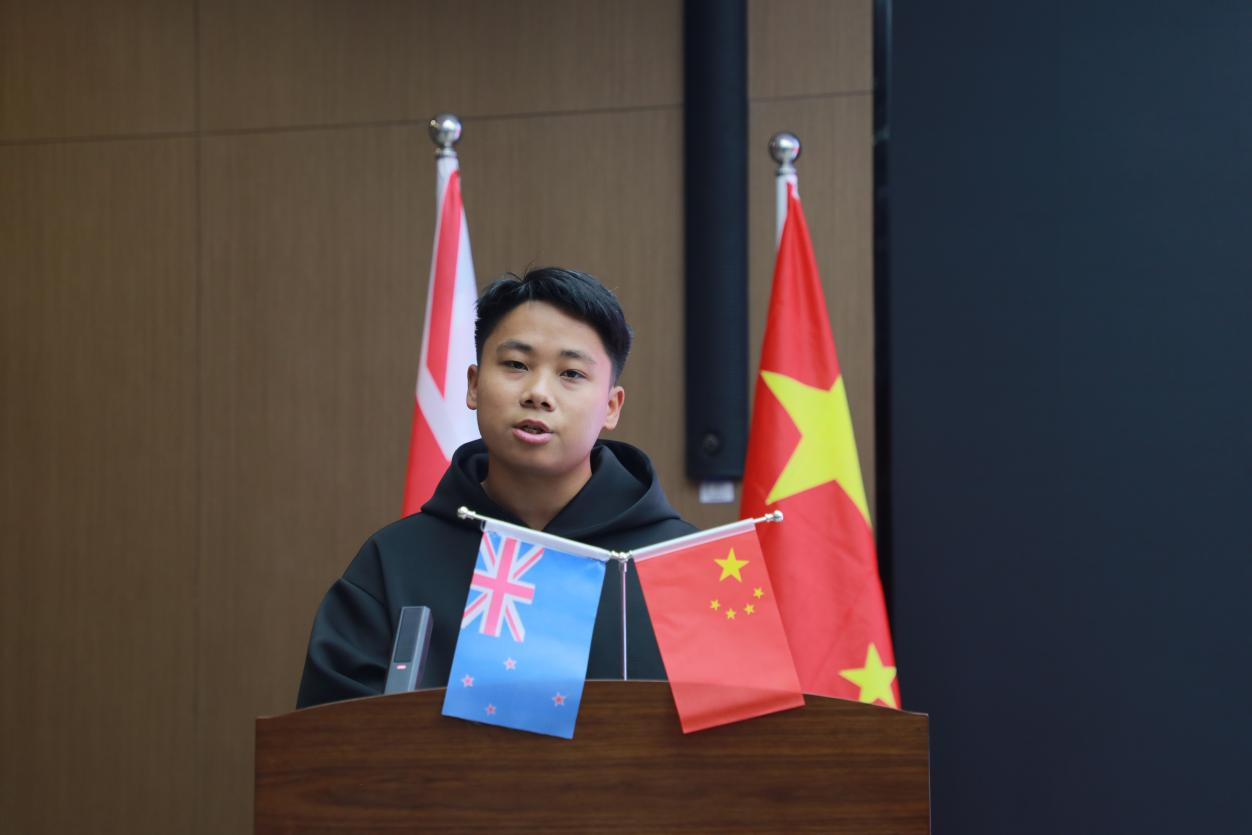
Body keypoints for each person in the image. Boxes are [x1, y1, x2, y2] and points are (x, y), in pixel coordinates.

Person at [296, 267, 695, 708]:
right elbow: (330, 739)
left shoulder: (690, 568)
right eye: (516, 365)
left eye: (571, 373)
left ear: (611, 406)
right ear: (473, 385)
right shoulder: (393, 563)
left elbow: (740, 739)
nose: (538, 393)